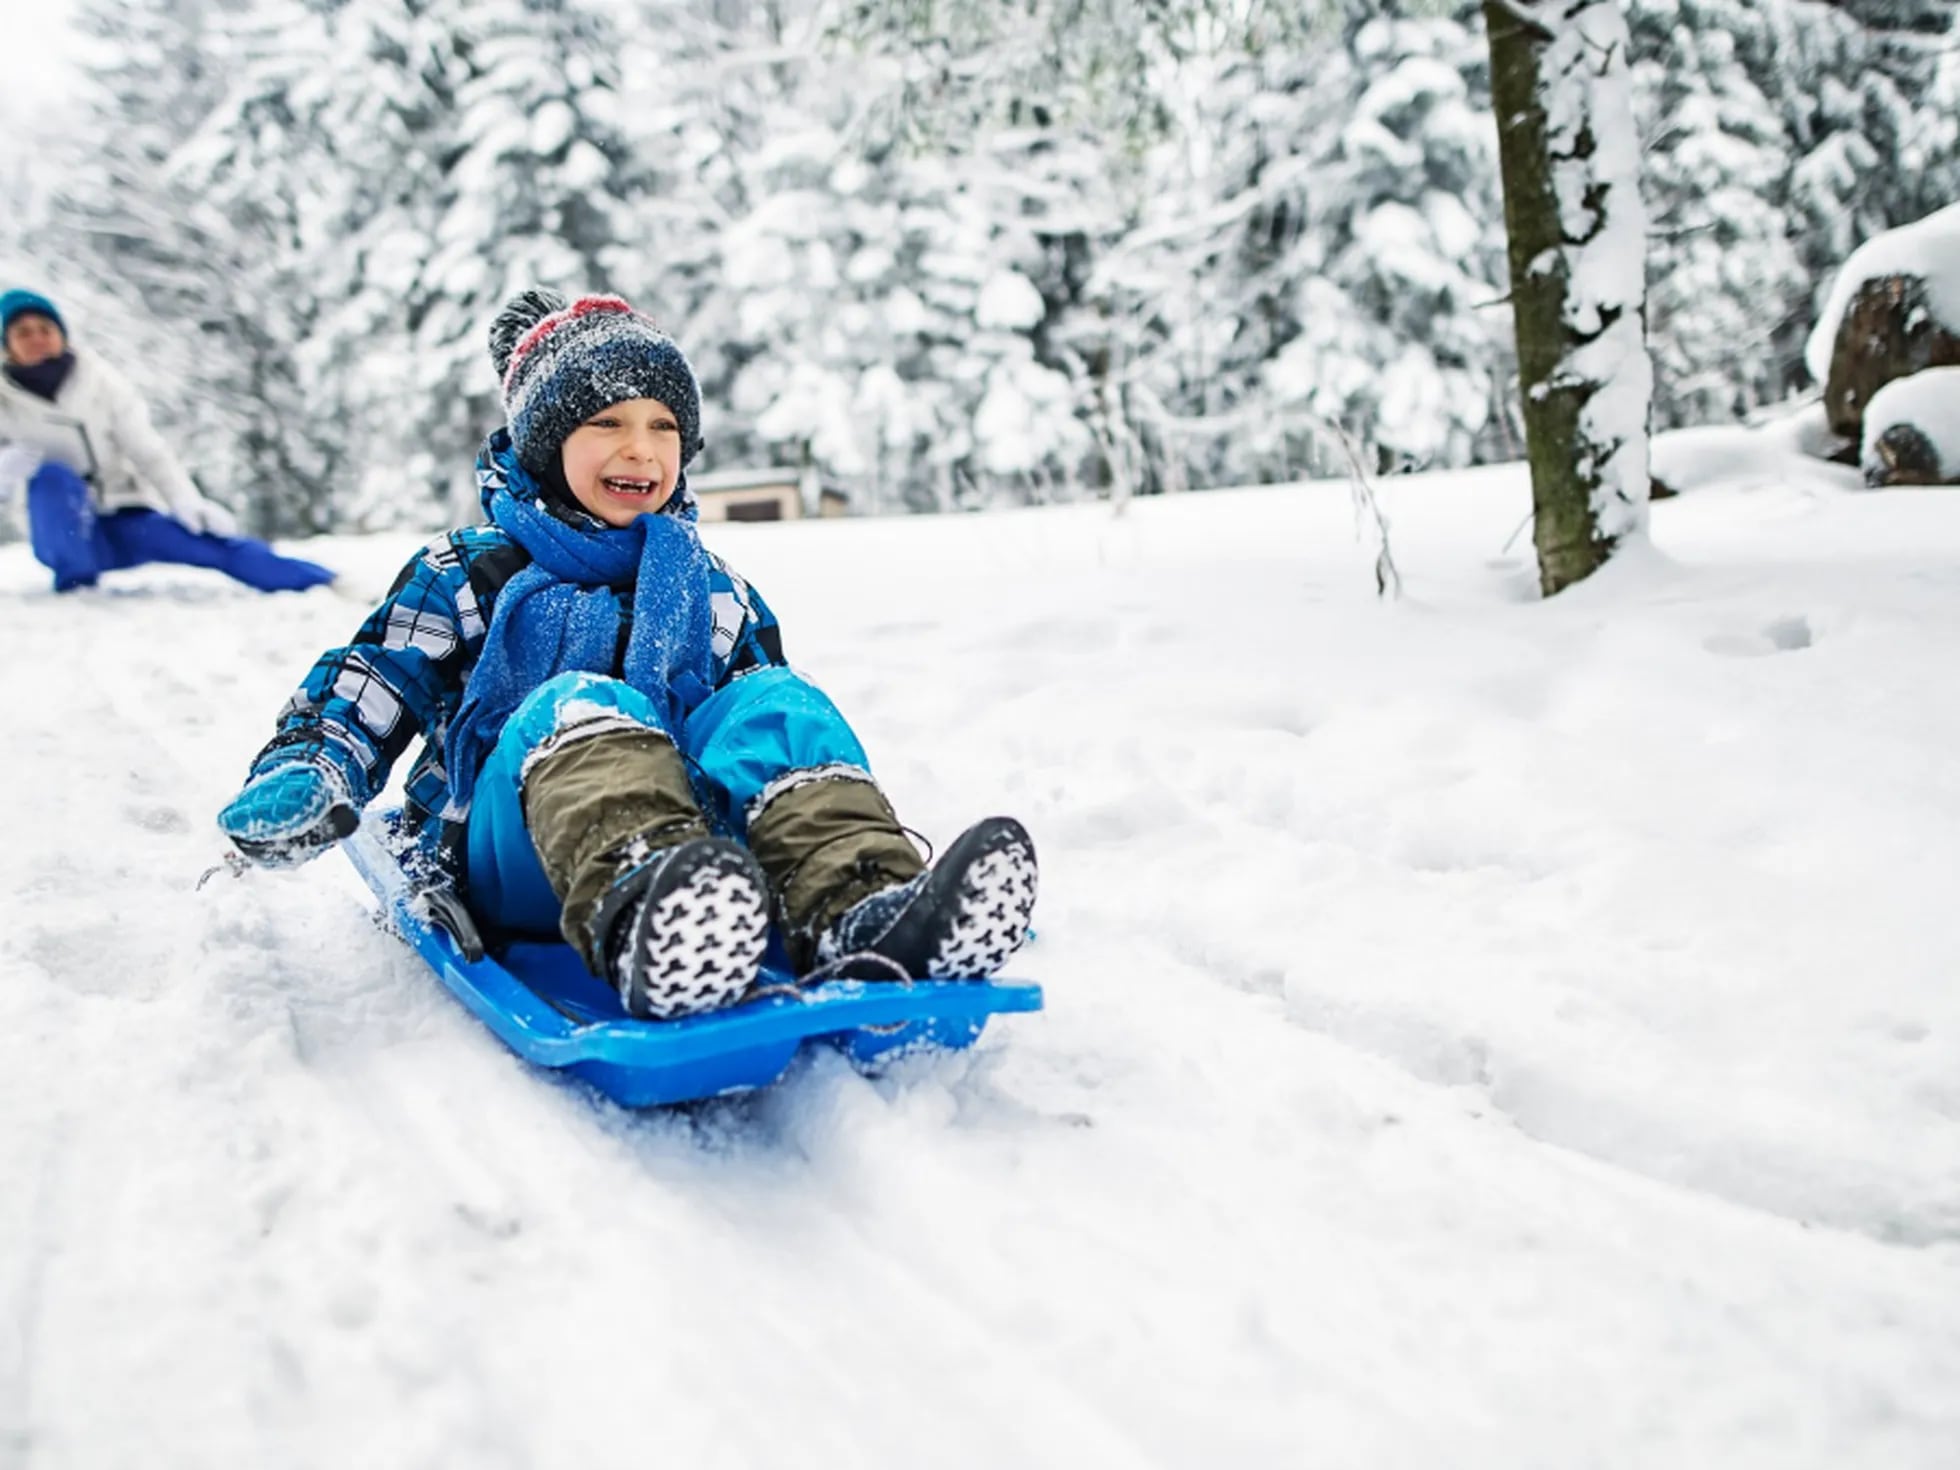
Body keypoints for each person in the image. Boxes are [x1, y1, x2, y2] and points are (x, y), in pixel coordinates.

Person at [215, 289, 1037, 1020]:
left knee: (774, 704)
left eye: (663, 427)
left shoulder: (710, 591)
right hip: (511, 855)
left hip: (701, 860)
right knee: (578, 703)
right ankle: (656, 922)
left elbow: (750, 741)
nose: (640, 451)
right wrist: (311, 769)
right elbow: (370, 684)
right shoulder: (468, 573)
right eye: (606, 423)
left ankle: (866, 905)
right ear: (545, 445)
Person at [0, 288, 335, 594]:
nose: (37, 339)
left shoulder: (100, 383)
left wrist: (187, 501)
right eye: (23, 332)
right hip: (64, 538)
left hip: (125, 519)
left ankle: (321, 581)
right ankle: (75, 584)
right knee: (52, 478)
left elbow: (148, 452)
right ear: (7, 345)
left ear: (62, 335)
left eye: (45, 329)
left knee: (210, 544)